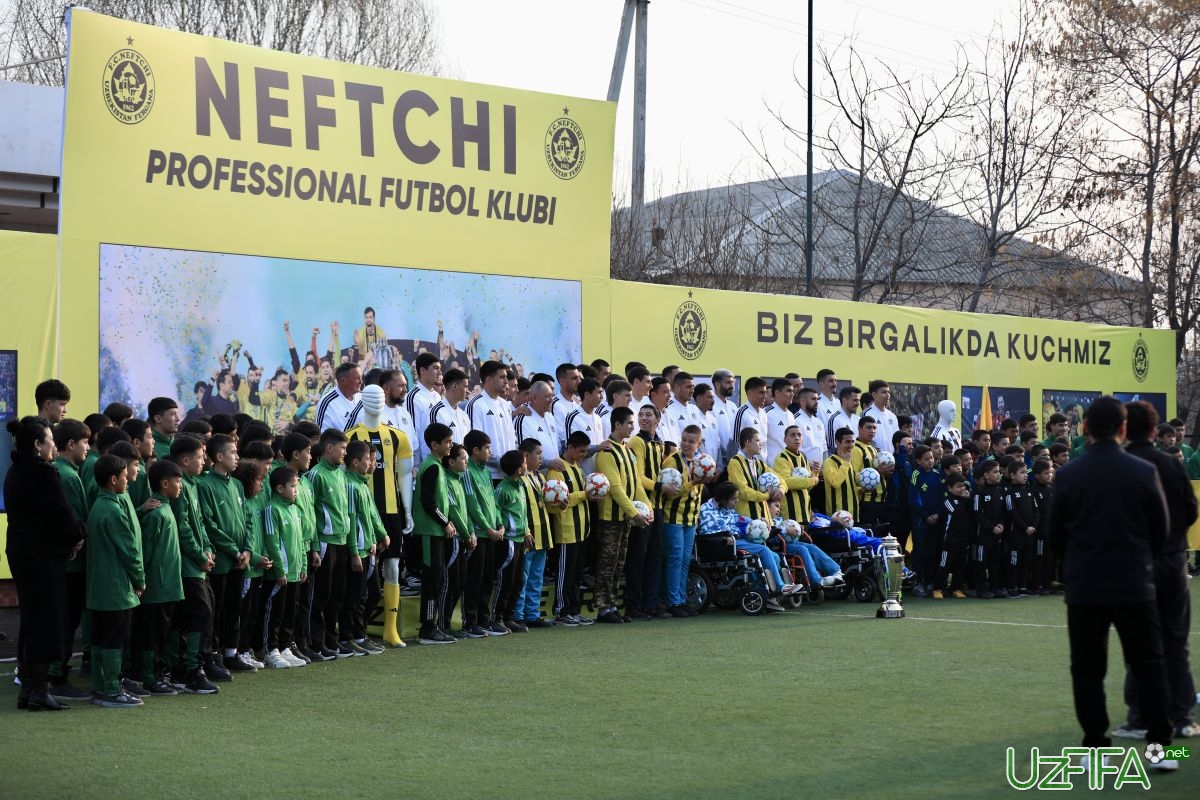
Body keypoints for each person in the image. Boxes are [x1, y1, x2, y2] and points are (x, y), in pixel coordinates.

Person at [1048, 396, 1175, 768]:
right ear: (1122, 428)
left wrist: (1074, 565)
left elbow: (1054, 537)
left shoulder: (1069, 474)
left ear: (1085, 428)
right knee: (1149, 665)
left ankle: (1094, 746)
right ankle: (1160, 750)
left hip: (1085, 586)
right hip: (1135, 583)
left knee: (1087, 670)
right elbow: (1161, 531)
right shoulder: (1142, 471)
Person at [1113, 401, 1199, 740]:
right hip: (1173, 560)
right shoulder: (1170, 464)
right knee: (1176, 642)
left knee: (1139, 643)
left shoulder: (1120, 466)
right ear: (1153, 431)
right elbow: (1191, 511)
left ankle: (1139, 718)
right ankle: (1181, 717)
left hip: (1135, 563)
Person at [4, 417, 85, 710]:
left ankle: (29, 690)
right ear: (37, 444)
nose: (54, 445)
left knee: (32, 620)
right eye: (50, 440)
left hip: (22, 554)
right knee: (44, 623)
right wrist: (78, 536)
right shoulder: (43, 474)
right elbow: (62, 517)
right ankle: (39, 690)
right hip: (42, 558)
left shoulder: (16, 471)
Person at [86, 453, 146, 708]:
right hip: (116, 589)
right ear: (113, 480)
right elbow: (130, 551)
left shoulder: (99, 507)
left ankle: (103, 687)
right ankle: (112, 690)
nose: (128, 481)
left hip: (99, 588)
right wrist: (140, 580)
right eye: (124, 477)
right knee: (114, 639)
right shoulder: (113, 509)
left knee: (101, 639)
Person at [166, 435, 220, 692]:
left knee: (201, 613)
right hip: (188, 565)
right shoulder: (181, 487)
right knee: (199, 614)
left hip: (199, 562)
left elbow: (199, 523)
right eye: (200, 457)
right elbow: (183, 527)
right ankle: (190, 671)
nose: (204, 461)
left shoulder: (192, 484)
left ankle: (188, 667)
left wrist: (207, 549)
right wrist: (199, 555)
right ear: (186, 460)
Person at [593, 406, 653, 623]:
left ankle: (612, 606)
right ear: (617, 424)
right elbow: (615, 487)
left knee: (619, 563)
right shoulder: (607, 452)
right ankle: (603, 608)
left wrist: (648, 508)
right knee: (607, 563)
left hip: (626, 517)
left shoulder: (627, 450)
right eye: (629, 423)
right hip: (610, 517)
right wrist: (634, 512)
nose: (632, 426)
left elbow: (636, 484)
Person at [49, 418, 92, 700]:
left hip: (60, 561)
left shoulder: (62, 471)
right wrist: (77, 540)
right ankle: (57, 676)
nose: (88, 448)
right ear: (71, 444)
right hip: (70, 563)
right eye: (85, 442)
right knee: (65, 621)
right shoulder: (67, 475)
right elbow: (75, 519)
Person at [134, 459, 185, 695]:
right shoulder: (156, 515)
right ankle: (149, 677)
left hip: (169, 587)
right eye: (178, 480)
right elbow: (145, 552)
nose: (181, 485)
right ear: (165, 484)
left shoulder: (166, 509)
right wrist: (141, 580)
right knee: (152, 634)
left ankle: (160, 674)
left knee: (162, 632)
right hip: (157, 588)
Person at [412, 422, 458, 645]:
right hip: (429, 532)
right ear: (434, 444)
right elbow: (427, 502)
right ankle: (428, 629)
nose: (451, 446)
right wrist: (445, 522)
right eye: (447, 442)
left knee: (437, 578)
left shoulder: (437, 466)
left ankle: (432, 626)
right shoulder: (430, 466)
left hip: (435, 531)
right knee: (432, 580)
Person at [342, 441, 388, 655]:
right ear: (355, 462)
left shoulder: (362, 483)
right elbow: (351, 519)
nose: (373, 463)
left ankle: (359, 633)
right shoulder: (351, 485)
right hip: (358, 550)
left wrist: (381, 535)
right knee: (356, 596)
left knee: (371, 594)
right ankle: (349, 636)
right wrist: (353, 551)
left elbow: (372, 516)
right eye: (370, 459)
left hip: (368, 548)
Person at [461, 430, 506, 637]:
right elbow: (472, 504)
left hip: (492, 533)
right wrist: (487, 528)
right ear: (475, 450)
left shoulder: (487, 472)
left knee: (488, 579)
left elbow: (494, 503)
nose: (490, 452)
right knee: (475, 579)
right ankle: (470, 622)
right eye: (486, 448)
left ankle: (484, 619)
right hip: (478, 533)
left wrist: (499, 524)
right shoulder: (467, 471)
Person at [660, 425, 705, 617]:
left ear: (699, 443)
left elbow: (699, 492)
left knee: (685, 560)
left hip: (689, 519)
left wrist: (696, 517)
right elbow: (672, 492)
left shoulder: (701, 462)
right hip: (673, 516)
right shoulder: (671, 462)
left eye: (691, 441)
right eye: (684, 439)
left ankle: (681, 599)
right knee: (675, 558)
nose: (686, 444)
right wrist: (692, 483)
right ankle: (672, 601)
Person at [515, 440, 554, 629]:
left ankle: (532, 614)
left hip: (543, 534)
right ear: (525, 455)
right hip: (527, 535)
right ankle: (518, 614)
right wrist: (526, 530)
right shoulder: (518, 479)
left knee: (536, 577)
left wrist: (558, 504)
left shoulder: (540, 477)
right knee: (522, 577)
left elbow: (548, 504)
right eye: (538, 453)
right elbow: (517, 510)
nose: (541, 458)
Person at [492, 450, 531, 630]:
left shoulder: (521, 485)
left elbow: (522, 513)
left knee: (518, 581)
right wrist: (500, 529)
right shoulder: (502, 489)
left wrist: (527, 531)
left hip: (520, 540)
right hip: (507, 540)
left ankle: (509, 617)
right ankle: (496, 618)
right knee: (506, 581)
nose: (527, 465)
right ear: (518, 468)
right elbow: (496, 513)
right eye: (524, 462)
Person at [931, 473, 972, 600]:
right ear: (949, 488)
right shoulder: (947, 501)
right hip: (950, 540)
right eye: (959, 487)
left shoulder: (966, 500)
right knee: (945, 564)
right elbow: (957, 512)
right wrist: (965, 500)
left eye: (963, 486)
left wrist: (967, 500)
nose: (962, 489)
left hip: (964, 538)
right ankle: (938, 588)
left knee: (960, 565)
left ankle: (956, 588)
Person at [315, 362, 363, 433]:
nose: (361, 382)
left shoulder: (362, 397)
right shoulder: (327, 403)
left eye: (361, 377)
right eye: (357, 378)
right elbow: (322, 437)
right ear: (343, 381)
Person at [762, 378, 795, 465]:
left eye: (792, 391)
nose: (792, 394)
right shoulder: (765, 413)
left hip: (789, 468)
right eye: (788, 391)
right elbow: (760, 442)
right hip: (772, 468)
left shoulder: (791, 415)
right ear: (777, 393)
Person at [864, 380, 899, 454]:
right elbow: (864, 439)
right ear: (874, 395)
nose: (887, 395)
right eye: (884, 392)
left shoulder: (892, 416)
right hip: (874, 458)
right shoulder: (867, 414)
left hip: (892, 460)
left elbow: (897, 439)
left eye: (888, 392)